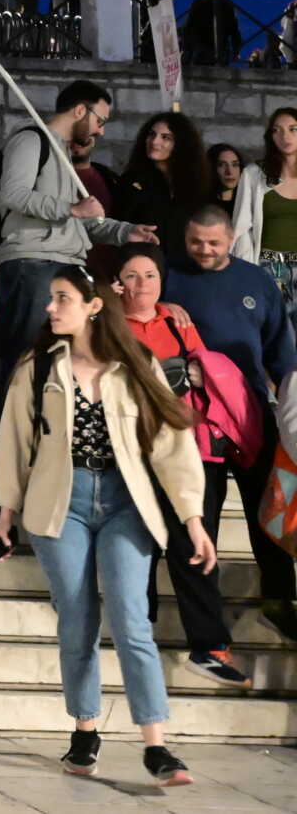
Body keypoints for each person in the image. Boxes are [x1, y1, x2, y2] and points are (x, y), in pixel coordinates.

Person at [0, 264, 210, 786]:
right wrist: (6, 513)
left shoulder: (136, 365)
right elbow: (14, 440)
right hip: (57, 504)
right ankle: (85, 730)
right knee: (78, 619)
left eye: (62, 298)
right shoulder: (39, 366)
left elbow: (172, 447)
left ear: (93, 305)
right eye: (51, 298)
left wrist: (193, 518)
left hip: (124, 503)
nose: (51, 307)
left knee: (133, 622)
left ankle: (156, 747)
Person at [111, 247, 252, 688]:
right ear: (117, 283)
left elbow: (208, 372)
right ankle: (137, 632)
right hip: (131, 449)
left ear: (162, 279)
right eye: (130, 276)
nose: (141, 284)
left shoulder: (177, 321)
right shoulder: (104, 325)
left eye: (149, 274)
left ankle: (209, 645)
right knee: (140, 544)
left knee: (196, 542)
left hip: (190, 449)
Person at [162, 206, 297, 642]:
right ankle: (206, 624)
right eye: (196, 242)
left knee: (269, 516)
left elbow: (282, 351)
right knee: (201, 521)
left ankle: (280, 603)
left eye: (214, 243)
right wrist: (162, 304)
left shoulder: (256, 281)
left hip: (252, 414)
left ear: (233, 239)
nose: (204, 250)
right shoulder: (169, 275)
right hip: (195, 421)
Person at [0, 81, 158, 360]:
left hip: (65, 265)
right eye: (100, 120)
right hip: (35, 263)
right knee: (29, 358)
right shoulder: (31, 140)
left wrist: (126, 232)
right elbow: (14, 195)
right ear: (81, 110)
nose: (100, 130)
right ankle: (20, 405)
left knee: (60, 358)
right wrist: (72, 208)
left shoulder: (63, 153)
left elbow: (79, 219)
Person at [112, 110, 211, 258]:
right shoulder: (131, 181)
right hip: (144, 266)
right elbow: (118, 227)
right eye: (151, 134)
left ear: (181, 144)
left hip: (186, 269)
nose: (154, 141)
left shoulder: (197, 183)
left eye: (165, 137)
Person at [227, 106, 297, 262]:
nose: (285, 136)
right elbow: (241, 229)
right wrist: (248, 271)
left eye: (293, 129)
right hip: (269, 266)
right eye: (276, 130)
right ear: (270, 136)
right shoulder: (254, 174)